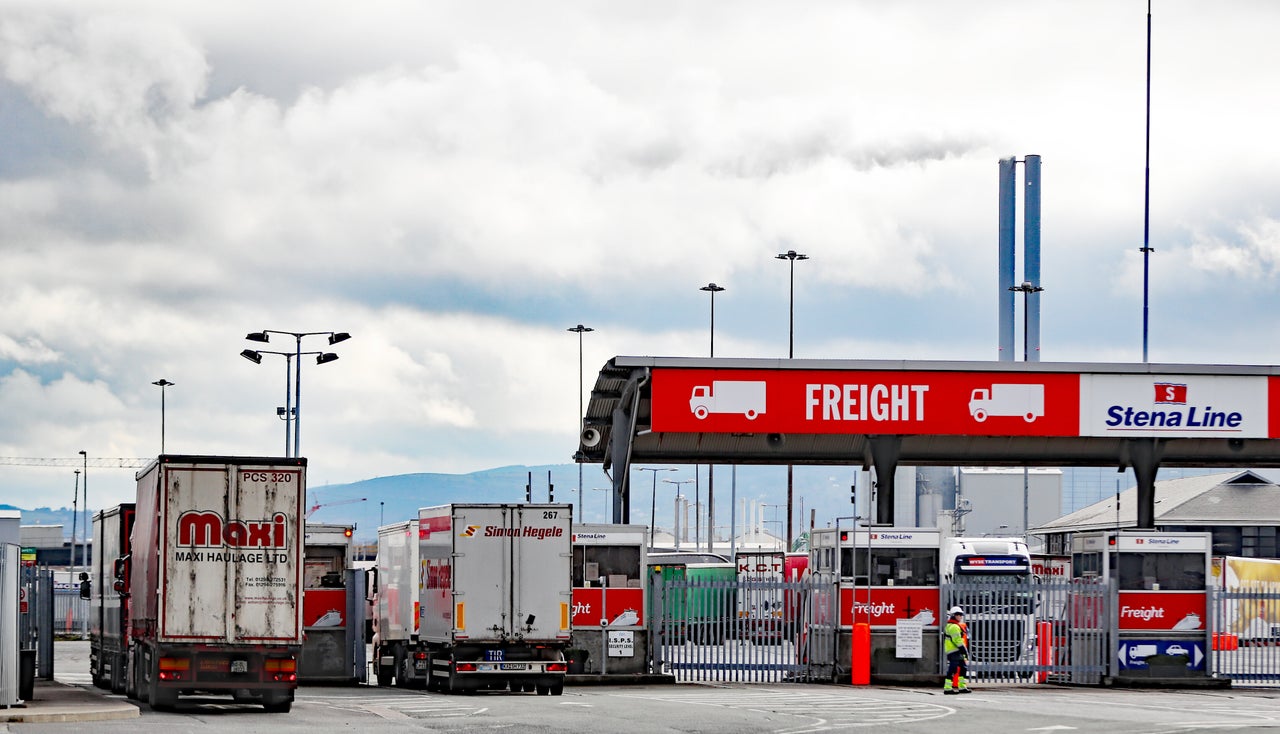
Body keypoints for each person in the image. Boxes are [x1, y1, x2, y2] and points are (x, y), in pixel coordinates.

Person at [943, 605, 971, 694]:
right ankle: (947, 688)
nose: (960, 616)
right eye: (958, 614)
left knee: (963, 668)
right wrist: (964, 650)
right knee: (953, 669)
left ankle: (962, 686)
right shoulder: (954, 627)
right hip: (955, 651)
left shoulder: (951, 625)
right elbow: (957, 641)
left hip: (955, 651)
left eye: (961, 614)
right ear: (953, 615)